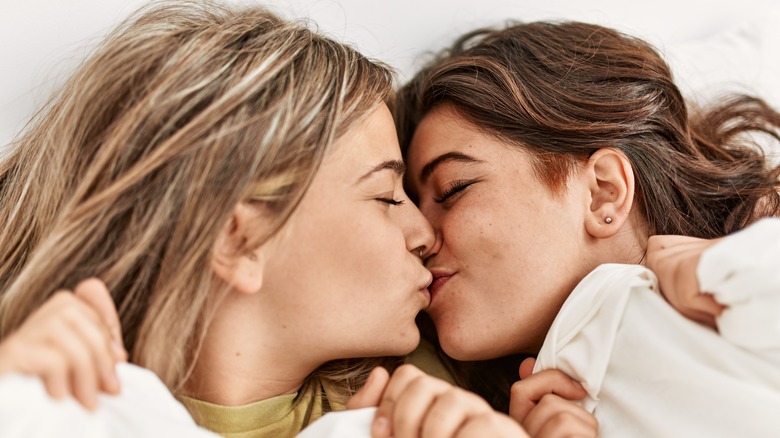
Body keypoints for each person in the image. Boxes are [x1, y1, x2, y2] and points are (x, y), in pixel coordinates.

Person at [0, 2, 501, 436]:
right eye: (388, 198)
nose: (425, 234)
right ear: (239, 242)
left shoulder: (427, 404)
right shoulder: (63, 394)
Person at [357, 19, 780, 437]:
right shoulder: (529, 410)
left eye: (453, 189)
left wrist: (751, 270)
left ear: (602, 193)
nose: (419, 235)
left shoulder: (741, 281)